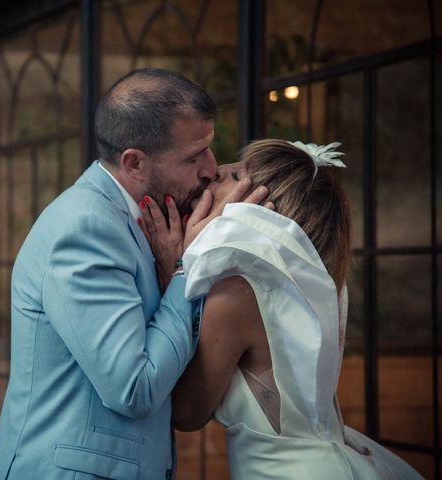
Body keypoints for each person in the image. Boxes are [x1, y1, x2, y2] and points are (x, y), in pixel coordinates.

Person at [0, 68, 271, 480]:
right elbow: (134, 389)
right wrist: (187, 267)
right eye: (194, 156)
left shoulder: (140, 222)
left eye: (209, 149)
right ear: (134, 162)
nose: (210, 168)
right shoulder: (85, 228)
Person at [141, 139, 424, 479]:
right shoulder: (312, 282)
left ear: (259, 205)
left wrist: (173, 273)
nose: (213, 174)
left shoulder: (235, 295)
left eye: (232, 176)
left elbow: (185, 413)